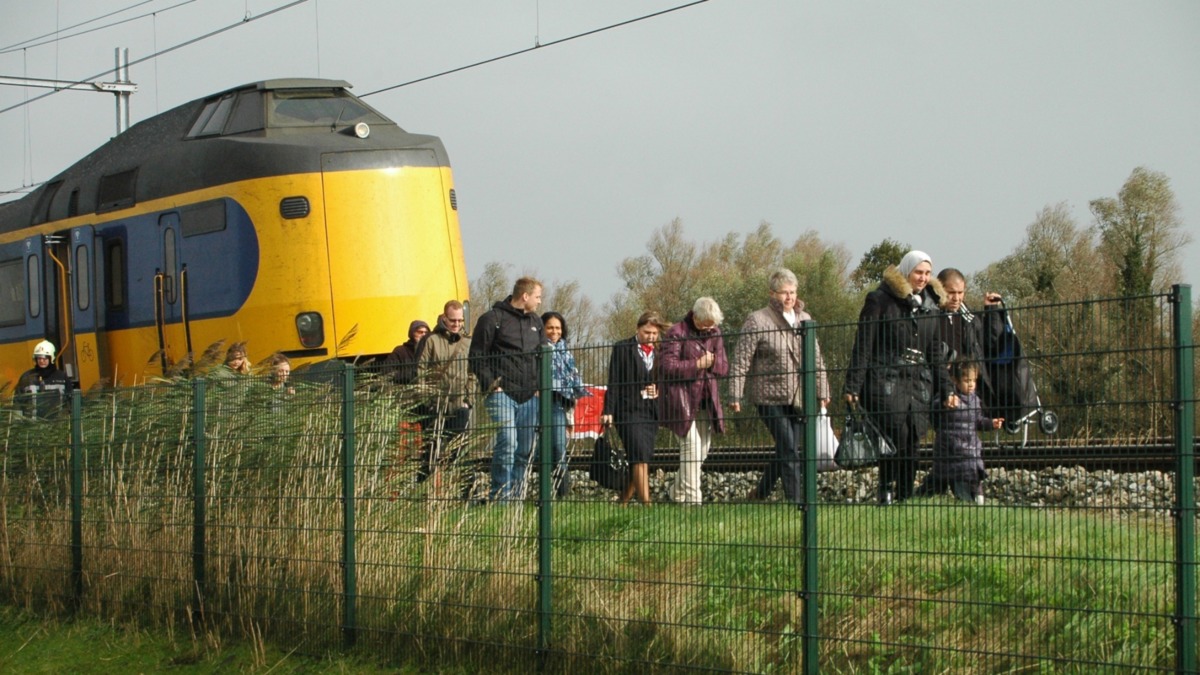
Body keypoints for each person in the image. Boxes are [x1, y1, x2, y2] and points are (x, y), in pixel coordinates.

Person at [843, 250, 957, 505]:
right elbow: (863, 345)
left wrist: (948, 388)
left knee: (914, 438)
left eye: (927, 273)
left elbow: (935, 352)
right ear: (907, 271)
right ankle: (885, 490)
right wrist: (853, 385)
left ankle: (906, 496)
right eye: (919, 272)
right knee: (896, 435)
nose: (923, 278)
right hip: (886, 380)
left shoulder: (931, 304)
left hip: (918, 383)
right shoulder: (880, 300)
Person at [729, 269, 831, 504]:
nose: (789, 297)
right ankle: (798, 502)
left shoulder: (805, 319)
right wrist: (735, 393)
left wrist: (822, 390)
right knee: (788, 447)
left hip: (798, 396)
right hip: (768, 396)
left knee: (789, 447)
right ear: (772, 293)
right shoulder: (757, 320)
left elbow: (815, 358)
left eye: (793, 292)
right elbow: (742, 358)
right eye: (784, 292)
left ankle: (761, 492)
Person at [468, 277, 545, 501]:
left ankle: (516, 498)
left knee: (524, 450)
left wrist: (539, 387)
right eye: (538, 297)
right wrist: (492, 386)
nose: (540, 301)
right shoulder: (492, 319)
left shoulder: (536, 323)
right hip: (501, 393)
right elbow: (477, 356)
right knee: (508, 440)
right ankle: (500, 497)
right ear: (525, 296)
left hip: (530, 396)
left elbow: (542, 357)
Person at [659, 297, 729, 505]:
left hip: (707, 400)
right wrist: (697, 364)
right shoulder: (677, 332)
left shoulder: (715, 333)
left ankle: (675, 492)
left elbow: (724, 367)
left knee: (702, 451)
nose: (709, 328)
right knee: (691, 448)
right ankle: (692, 501)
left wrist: (713, 362)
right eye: (704, 324)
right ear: (694, 316)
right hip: (682, 399)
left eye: (712, 324)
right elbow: (666, 367)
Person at [601, 311, 669, 505]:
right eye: (647, 332)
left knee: (640, 456)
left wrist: (658, 389)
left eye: (655, 334)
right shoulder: (622, 348)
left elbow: (666, 379)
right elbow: (613, 381)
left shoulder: (660, 351)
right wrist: (608, 411)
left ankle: (623, 500)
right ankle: (647, 504)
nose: (651, 337)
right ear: (637, 329)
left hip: (650, 412)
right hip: (627, 411)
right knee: (639, 455)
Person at [916, 361, 1004, 504]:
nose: (971, 385)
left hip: (970, 449)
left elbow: (978, 421)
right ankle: (924, 495)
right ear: (955, 381)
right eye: (966, 380)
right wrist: (944, 404)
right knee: (942, 478)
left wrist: (991, 423)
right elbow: (934, 412)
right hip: (950, 450)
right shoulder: (948, 398)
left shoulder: (975, 400)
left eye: (973, 380)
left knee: (970, 475)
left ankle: (975, 498)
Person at [415, 300, 476, 495]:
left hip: (460, 403)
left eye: (460, 320)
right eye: (453, 320)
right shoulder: (432, 341)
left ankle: (458, 491)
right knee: (431, 449)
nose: (457, 324)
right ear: (444, 318)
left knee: (458, 447)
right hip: (436, 403)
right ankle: (422, 488)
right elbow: (421, 371)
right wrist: (427, 398)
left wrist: (469, 399)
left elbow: (472, 372)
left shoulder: (468, 342)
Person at [541, 311, 591, 498]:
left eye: (558, 328)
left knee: (558, 448)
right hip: (538, 401)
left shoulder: (566, 353)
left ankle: (562, 495)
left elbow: (573, 381)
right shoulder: (538, 348)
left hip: (559, 404)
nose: (554, 332)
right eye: (550, 328)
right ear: (542, 329)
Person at [16, 340, 70, 418]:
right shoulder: (27, 377)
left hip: (58, 426)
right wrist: (18, 424)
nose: (41, 361)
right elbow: (17, 402)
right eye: (39, 358)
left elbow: (71, 400)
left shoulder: (61, 376)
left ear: (51, 358)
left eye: (45, 358)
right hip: (31, 427)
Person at [385, 320, 430, 384]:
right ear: (412, 333)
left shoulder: (429, 351)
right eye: (420, 332)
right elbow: (387, 372)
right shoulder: (400, 351)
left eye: (426, 333)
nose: (423, 335)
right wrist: (409, 375)